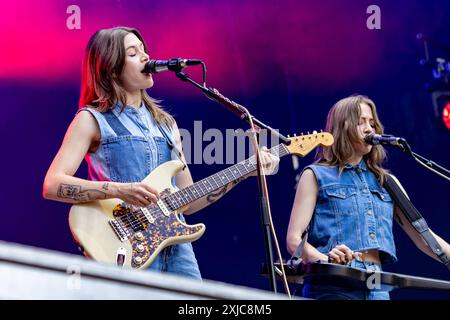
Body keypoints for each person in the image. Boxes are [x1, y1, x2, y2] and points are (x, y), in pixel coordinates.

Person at [42, 26, 279, 279]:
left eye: (144, 50)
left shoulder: (167, 125)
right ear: (111, 68)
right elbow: (53, 184)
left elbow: (188, 201)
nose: (146, 57)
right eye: (133, 53)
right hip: (125, 247)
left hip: (177, 251)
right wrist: (118, 190)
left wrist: (244, 172)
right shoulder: (92, 119)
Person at [286, 94, 450, 300]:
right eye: (360, 122)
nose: (369, 129)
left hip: (377, 285)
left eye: (372, 123)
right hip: (332, 285)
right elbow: (294, 240)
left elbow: (425, 238)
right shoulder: (315, 175)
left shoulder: (388, 182)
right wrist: (325, 259)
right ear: (341, 127)